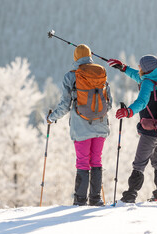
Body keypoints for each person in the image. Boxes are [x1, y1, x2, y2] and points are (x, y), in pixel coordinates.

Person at [46, 44, 112, 206]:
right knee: (96, 160)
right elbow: (109, 103)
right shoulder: (101, 72)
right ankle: (96, 199)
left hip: (81, 126)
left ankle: (80, 200)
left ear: (76, 57)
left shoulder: (70, 77)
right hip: (101, 125)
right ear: (89, 56)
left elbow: (65, 105)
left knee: (82, 161)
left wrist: (51, 118)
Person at [107, 55, 157, 203]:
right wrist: (124, 68)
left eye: (140, 66)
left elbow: (141, 101)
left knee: (139, 164)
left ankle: (130, 196)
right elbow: (138, 75)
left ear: (146, 69)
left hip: (149, 131)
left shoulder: (147, 83)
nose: (139, 68)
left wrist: (128, 111)